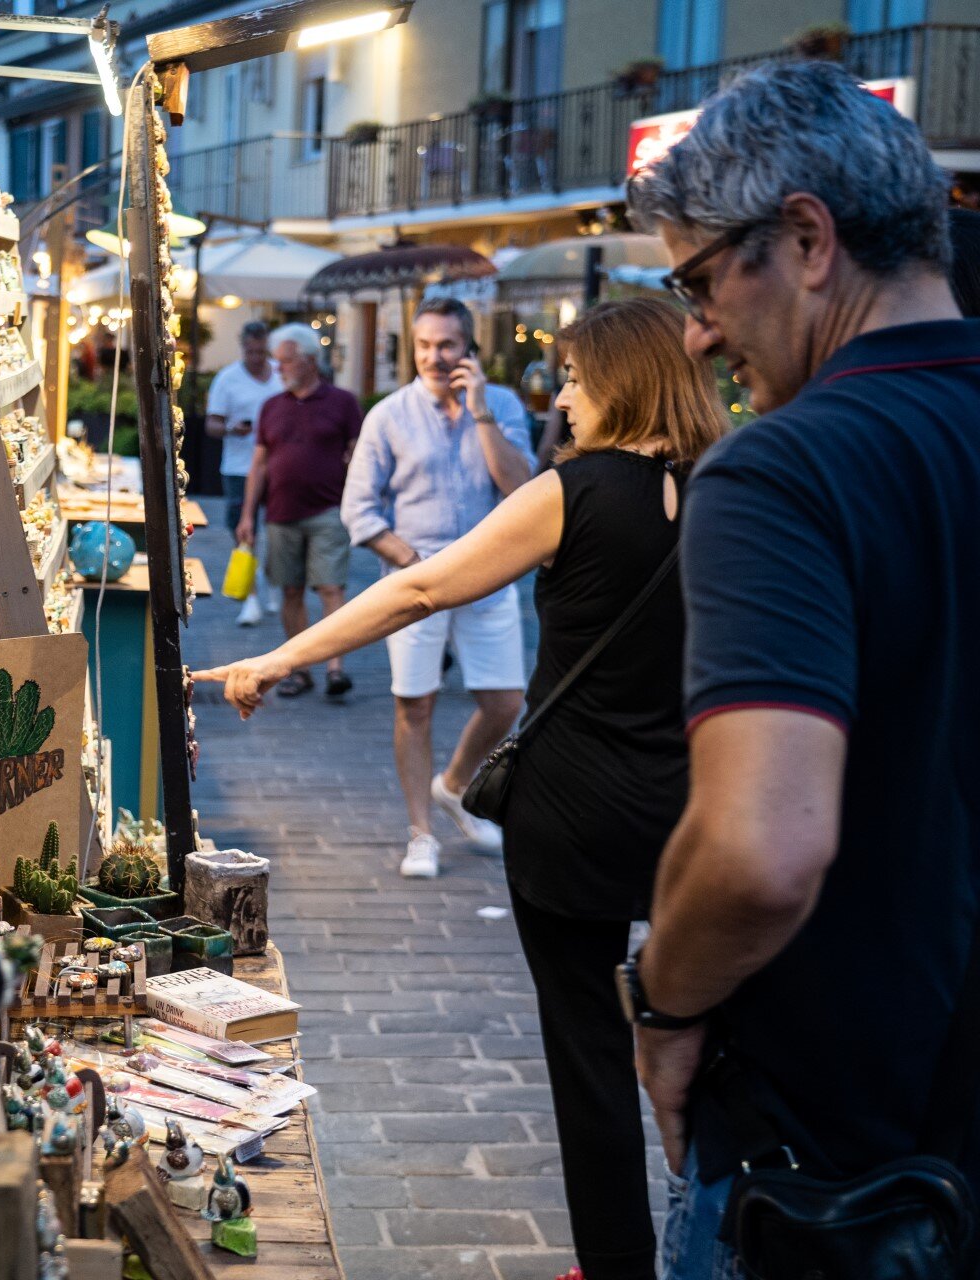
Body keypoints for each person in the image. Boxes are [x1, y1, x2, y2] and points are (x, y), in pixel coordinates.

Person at [199, 298, 725, 1280]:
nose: (561, 397)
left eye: (572, 377)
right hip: (697, 812)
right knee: (716, 1046)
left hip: (570, 813)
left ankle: (618, 1266)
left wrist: (277, 658)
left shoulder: (574, 491)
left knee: (588, 1054)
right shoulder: (733, 486)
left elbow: (421, 586)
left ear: (617, 379)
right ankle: (718, 1246)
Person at [620, 60, 980, 1276]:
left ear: (808, 240)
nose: (696, 327)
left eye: (702, 276)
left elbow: (761, 848)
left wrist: (662, 1006)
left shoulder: (784, 472)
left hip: (836, 1178)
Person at [338, 297, 533, 877]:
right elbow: (359, 509)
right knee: (415, 705)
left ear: (470, 349)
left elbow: (524, 488)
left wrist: (481, 413)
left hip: (490, 576)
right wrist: (413, 561)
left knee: (507, 703)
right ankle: (421, 832)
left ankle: (454, 784)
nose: (433, 356)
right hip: (416, 579)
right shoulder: (389, 415)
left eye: (446, 344)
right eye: (423, 345)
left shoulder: (500, 405)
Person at [234, 324, 364, 700]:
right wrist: (247, 516)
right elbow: (258, 465)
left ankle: (335, 668)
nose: (279, 368)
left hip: (329, 510)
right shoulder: (272, 407)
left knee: (330, 587)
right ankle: (300, 668)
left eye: (286, 361)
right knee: (290, 590)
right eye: (278, 362)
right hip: (281, 512)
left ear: (309, 361)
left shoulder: (342, 402)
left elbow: (359, 453)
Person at [206, 321, 284, 627]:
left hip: (279, 465)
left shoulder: (281, 373)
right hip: (240, 467)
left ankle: (274, 581)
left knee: (279, 531)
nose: (256, 357)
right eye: (250, 351)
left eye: (261, 351)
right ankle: (251, 599)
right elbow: (212, 424)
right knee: (243, 532)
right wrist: (230, 429)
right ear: (243, 347)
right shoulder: (228, 379)